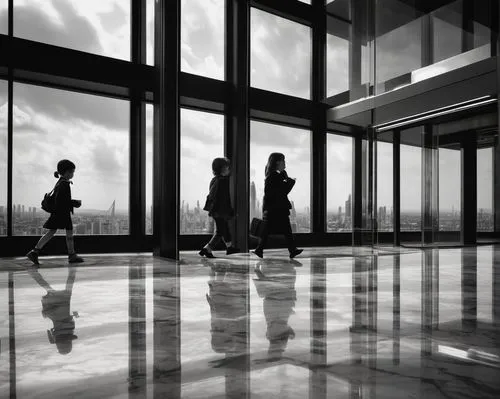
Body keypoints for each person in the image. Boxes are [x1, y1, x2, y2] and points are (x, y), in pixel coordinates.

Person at [26, 159, 84, 265]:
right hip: (62, 213)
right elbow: (62, 201)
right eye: (72, 172)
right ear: (67, 172)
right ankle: (71, 255)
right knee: (67, 233)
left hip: (59, 213)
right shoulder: (64, 184)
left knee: (54, 232)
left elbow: (60, 201)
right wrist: (75, 203)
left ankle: (35, 251)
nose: (73, 174)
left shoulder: (60, 182)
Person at [253, 153, 303, 259]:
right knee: (284, 229)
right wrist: (290, 181)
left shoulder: (273, 175)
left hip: (274, 208)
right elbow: (282, 191)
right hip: (277, 209)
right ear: (278, 162)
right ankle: (291, 250)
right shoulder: (275, 176)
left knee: (280, 229)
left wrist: (285, 177)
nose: (285, 163)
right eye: (283, 160)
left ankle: (260, 249)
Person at [27, 266, 79, 355]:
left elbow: (69, 321)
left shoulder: (69, 331)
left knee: (67, 285)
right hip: (56, 311)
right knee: (48, 287)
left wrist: (75, 315)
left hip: (62, 308)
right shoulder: (58, 336)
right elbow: (51, 331)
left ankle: (73, 269)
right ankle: (33, 272)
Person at [199, 157, 240, 258]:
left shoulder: (214, 180)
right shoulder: (222, 181)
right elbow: (224, 199)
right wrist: (229, 211)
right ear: (223, 169)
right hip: (219, 211)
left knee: (221, 230)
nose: (229, 170)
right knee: (222, 230)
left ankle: (209, 249)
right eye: (227, 167)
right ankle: (224, 248)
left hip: (216, 211)